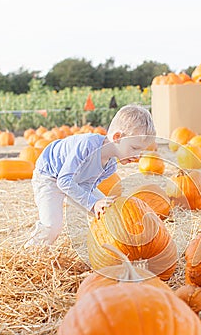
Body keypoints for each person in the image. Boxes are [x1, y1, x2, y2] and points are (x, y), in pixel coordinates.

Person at [24, 104, 156, 248]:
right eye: (135, 148)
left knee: (107, 211)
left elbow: (86, 186)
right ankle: (32, 250)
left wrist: (96, 206)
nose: (138, 156)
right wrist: (92, 203)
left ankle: (113, 249)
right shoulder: (88, 145)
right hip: (50, 176)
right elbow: (63, 181)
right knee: (52, 226)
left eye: (141, 151)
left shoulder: (110, 167)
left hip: (75, 181)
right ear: (117, 137)